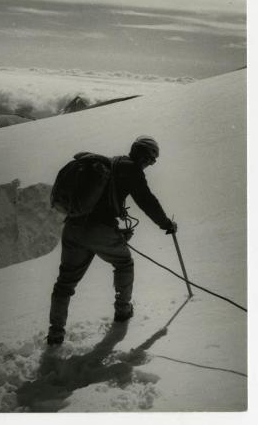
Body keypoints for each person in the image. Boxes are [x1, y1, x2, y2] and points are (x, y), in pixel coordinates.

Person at [47, 136, 177, 347]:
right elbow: (147, 201)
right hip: (100, 229)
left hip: (73, 227)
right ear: (145, 156)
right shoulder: (132, 170)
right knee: (124, 264)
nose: (150, 164)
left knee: (64, 284)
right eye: (151, 160)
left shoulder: (109, 164)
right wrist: (166, 224)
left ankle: (55, 334)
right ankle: (123, 311)